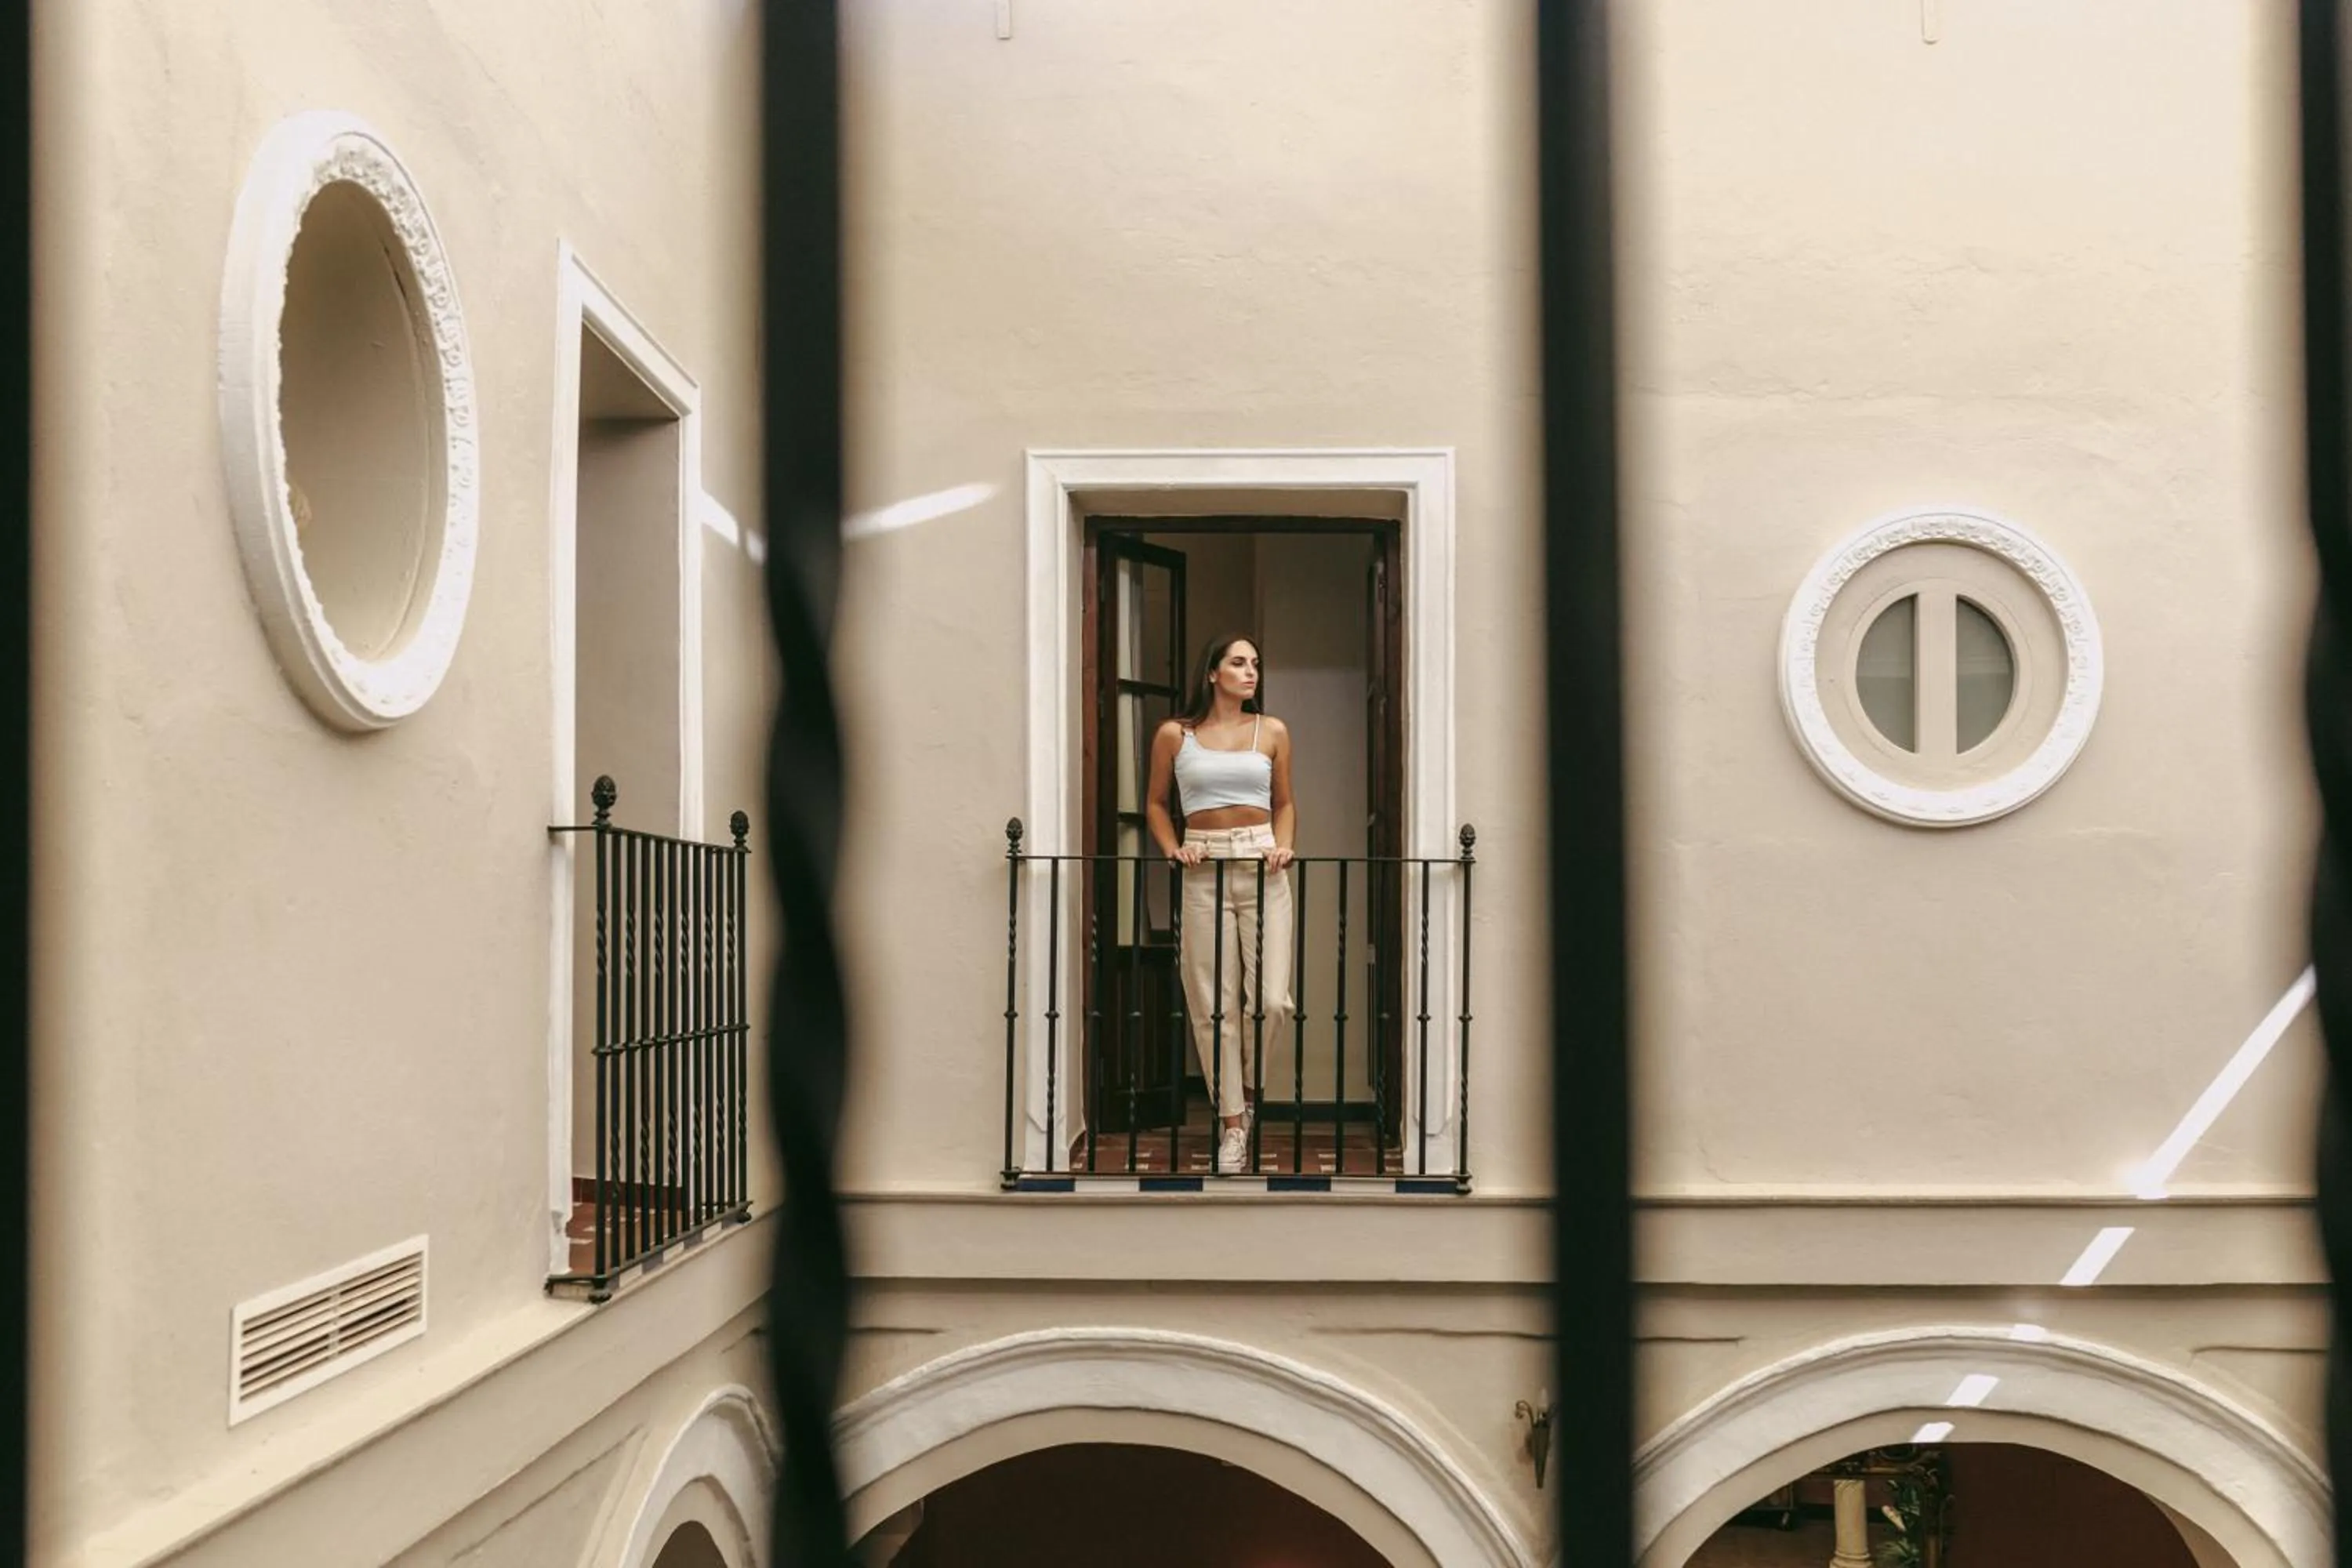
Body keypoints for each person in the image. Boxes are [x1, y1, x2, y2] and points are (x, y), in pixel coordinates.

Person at [1145, 633, 1297, 1174]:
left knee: (1273, 1000)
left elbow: (1283, 802)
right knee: (1214, 1004)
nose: (1250, 671)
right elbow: (1157, 805)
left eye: (1255, 663)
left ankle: (1249, 1091)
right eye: (1238, 662)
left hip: (1261, 863)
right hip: (1202, 865)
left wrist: (1284, 844)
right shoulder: (1175, 735)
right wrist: (1172, 849)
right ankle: (1233, 1125)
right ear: (1212, 673)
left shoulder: (1271, 730)